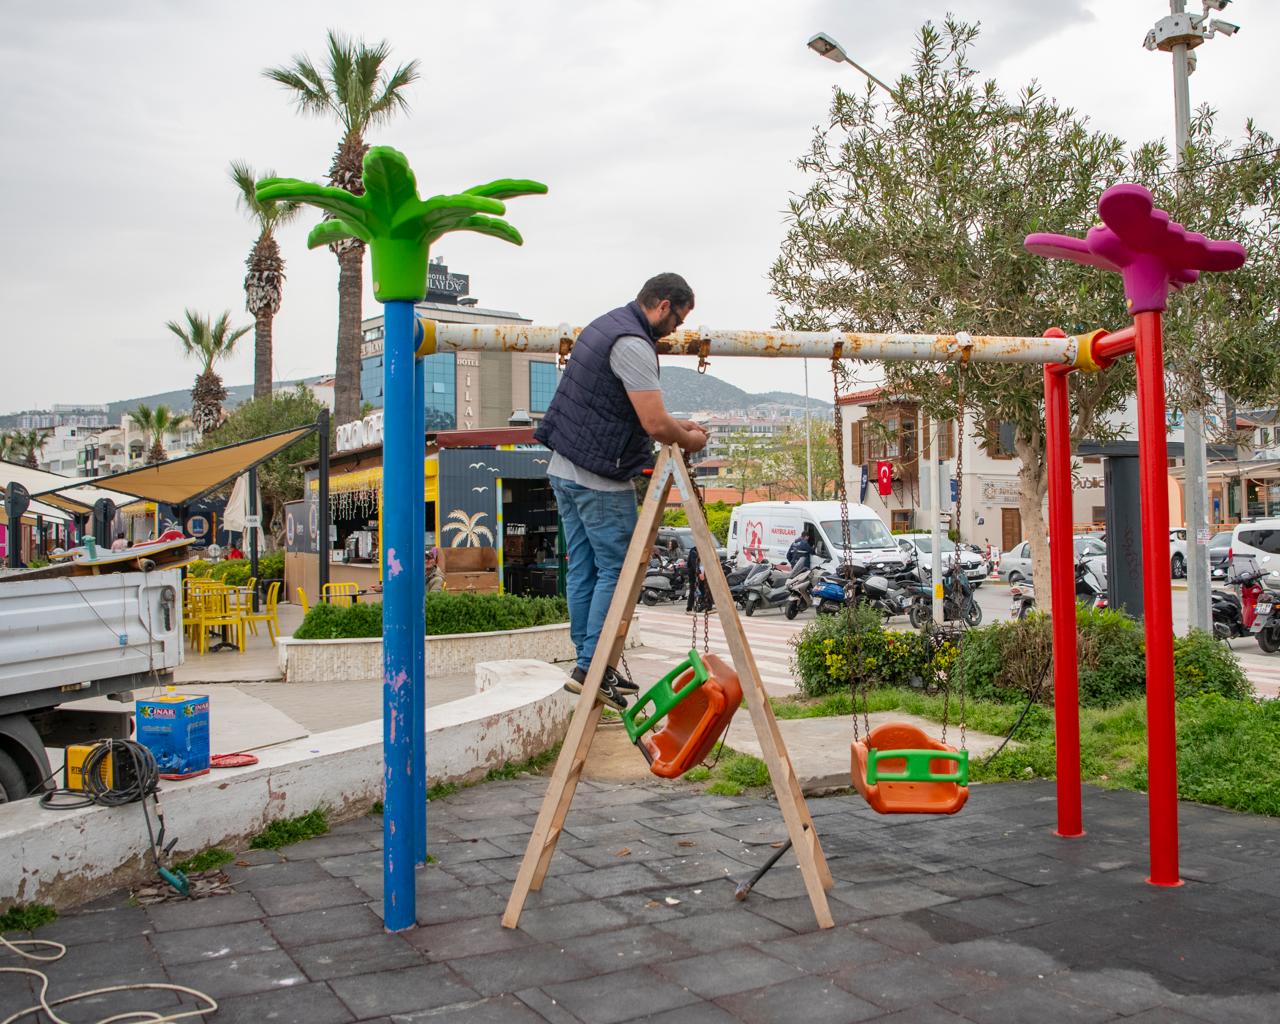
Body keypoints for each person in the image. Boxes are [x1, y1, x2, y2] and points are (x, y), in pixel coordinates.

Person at [535, 273, 708, 711]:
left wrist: (675, 422)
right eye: (678, 319)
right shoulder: (633, 344)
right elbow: (652, 423)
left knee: (584, 570)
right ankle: (594, 667)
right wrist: (689, 439)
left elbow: (626, 406)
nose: (676, 331)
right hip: (599, 476)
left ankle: (587, 665)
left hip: (566, 468)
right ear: (665, 304)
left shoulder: (603, 325)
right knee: (619, 571)